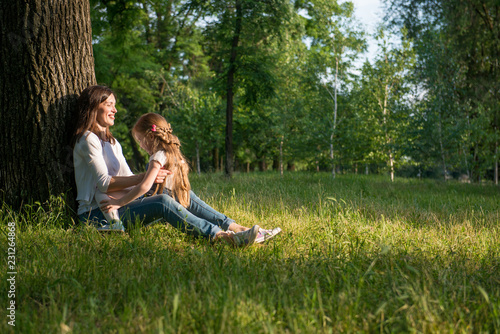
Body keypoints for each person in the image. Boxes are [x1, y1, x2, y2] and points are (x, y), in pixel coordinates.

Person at [72, 85, 281, 246]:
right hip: (97, 216)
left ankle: (238, 228)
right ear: (93, 106)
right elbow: (105, 184)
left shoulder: (112, 142)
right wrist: (146, 178)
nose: (115, 109)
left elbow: (127, 180)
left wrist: (150, 181)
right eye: (109, 104)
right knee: (163, 201)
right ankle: (222, 237)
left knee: (177, 191)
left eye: (114, 104)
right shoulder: (88, 139)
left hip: (119, 207)